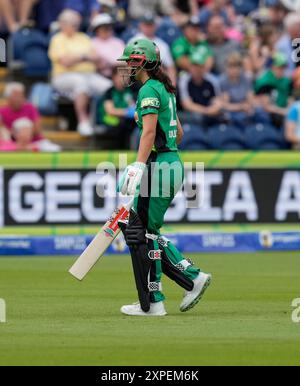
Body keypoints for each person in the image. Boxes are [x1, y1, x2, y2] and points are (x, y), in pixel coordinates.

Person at [116, 38, 211, 317]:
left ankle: (154, 302)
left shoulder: (148, 89)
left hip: (159, 164)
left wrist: (138, 165)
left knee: (143, 233)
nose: (127, 67)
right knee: (146, 230)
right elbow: (178, 133)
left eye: (131, 62)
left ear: (142, 62)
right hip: (172, 160)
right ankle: (190, 278)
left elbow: (147, 133)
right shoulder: (164, 89)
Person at [48, 9, 112, 136]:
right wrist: (85, 57)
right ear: (62, 24)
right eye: (72, 24)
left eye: (76, 24)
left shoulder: (83, 38)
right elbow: (65, 61)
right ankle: (83, 121)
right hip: (63, 76)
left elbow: (97, 59)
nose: (75, 26)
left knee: (108, 86)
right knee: (81, 83)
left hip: (90, 74)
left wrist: (79, 58)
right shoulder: (57, 39)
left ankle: (103, 121)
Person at [130, 13, 177, 85]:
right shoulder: (134, 41)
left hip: (158, 80)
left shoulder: (162, 44)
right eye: (146, 25)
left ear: (155, 26)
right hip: (138, 81)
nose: (149, 27)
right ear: (140, 25)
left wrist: (172, 86)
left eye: (151, 25)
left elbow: (170, 67)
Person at [178, 51, 222, 127]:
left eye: (199, 66)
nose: (196, 69)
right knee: (197, 117)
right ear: (190, 66)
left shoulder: (211, 80)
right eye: (193, 65)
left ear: (204, 67)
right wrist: (207, 111)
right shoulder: (184, 80)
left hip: (208, 112)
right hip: (189, 113)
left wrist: (213, 109)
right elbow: (187, 105)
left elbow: (218, 102)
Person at [97, 66, 136, 149]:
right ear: (114, 77)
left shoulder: (130, 91)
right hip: (109, 120)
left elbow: (132, 105)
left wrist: (132, 111)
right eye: (121, 76)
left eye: (127, 76)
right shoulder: (109, 92)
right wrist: (127, 112)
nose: (125, 78)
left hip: (125, 120)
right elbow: (110, 111)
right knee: (123, 126)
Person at [255, 53, 293, 128]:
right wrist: (283, 111)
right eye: (279, 67)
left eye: (283, 67)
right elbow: (266, 107)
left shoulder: (287, 81)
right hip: (268, 114)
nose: (282, 70)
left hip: (282, 112)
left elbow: (290, 101)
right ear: (272, 67)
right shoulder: (264, 81)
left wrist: (289, 110)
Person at [220, 52, 255, 128]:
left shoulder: (246, 79)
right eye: (231, 67)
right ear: (226, 67)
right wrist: (241, 107)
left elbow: (251, 99)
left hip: (246, 109)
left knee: (259, 113)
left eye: (237, 67)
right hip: (232, 112)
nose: (234, 70)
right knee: (239, 118)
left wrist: (248, 107)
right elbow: (225, 105)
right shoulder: (223, 81)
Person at [91, 13, 125, 79]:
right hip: (100, 76)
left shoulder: (118, 42)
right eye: (104, 27)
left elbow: (126, 61)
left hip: (120, 74)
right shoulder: (92, 43)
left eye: (109, 27)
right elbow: (98, 65)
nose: (107, 29)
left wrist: (111, 64)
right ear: (97, 30)